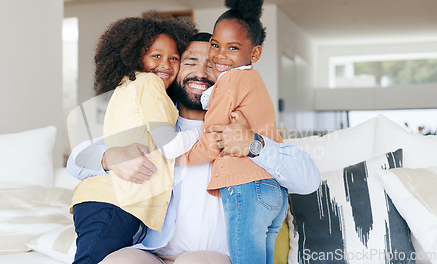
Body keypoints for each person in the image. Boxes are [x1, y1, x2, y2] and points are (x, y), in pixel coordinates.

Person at [67, 32, 320, 264]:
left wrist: (253, 145)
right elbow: (76, 162)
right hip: (152, 253)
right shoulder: (154, 125)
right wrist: (110, 156)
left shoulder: (241, 126)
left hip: (213, 257)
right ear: (173, 71)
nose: (201, 72)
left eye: (211, 65)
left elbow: (308, 180)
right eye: (190, 62)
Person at [70, 13, 198, 264]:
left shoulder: (129, 89)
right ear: (135, 57)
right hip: (113, 204)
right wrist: (110, 156)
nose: (167, 64)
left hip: (116, 208)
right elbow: (77, 159)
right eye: (156, 56)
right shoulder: (148, 84)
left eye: (175, 58)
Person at [180, 0, 284, 263]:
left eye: (233, 48)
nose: (219, 55)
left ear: (255, 53)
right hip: (273, 190)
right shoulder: (254, 80)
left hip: (246, 188)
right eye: (215, 44)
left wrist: (182, 159)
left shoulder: (231, 81)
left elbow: (213, 136)